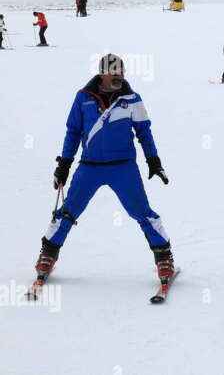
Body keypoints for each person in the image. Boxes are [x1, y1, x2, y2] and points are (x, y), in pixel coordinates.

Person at [32, 53, 174, 289]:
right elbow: (73, 132)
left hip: (123, 167)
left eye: (122, 71)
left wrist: (154, 161)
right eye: (114, 72)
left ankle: (164, 257)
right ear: (102, 74)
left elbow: (144, 132)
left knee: (142, 213)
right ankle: (48, 254)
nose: (119, 75)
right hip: (90, 167)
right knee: (67, 212)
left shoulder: (132, 99)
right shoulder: (83, 98)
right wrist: (64, 165)